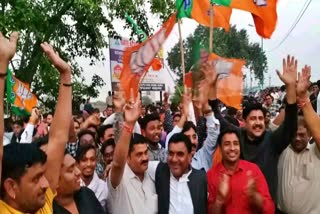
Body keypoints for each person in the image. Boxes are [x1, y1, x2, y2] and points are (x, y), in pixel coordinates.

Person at [206, 56, 298, 201]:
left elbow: (291, 124)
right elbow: (216, 116)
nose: (258, 122)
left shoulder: (273, 141)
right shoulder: (236, 136)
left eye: (261, 118)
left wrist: (291, 87)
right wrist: (211, 86)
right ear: (244, 121)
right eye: (253, 119)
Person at [0, 33, 72, 213]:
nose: (47, 184)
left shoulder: (42, 204)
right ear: (11, 188)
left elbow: (58, 138)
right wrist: (1, 67)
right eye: (36, 178)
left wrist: (66, 75)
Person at [277, 65, 320, 214]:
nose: (297, 138)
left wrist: (303, 97)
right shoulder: (281, 148)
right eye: (294, 134)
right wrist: (291, 92)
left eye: (302, 135)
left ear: (310, 134)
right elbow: (275, 125)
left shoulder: (316, 152)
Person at [108, 93, 158, 214]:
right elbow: (117, 164)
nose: (145, 158)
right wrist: (129, 123)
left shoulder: (153, 173)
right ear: (127, 157)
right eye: (139, 154)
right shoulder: (119, 180)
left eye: (146, 153)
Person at [207, 129, 274, 214]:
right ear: (220, 148)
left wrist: (254, 196)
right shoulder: (210, 175)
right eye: (227, 144)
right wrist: (219, 200)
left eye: (236, 143)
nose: (232, 148)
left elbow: (270, 209)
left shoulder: (253, 170)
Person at [149, 133, 208, 214]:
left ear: (190, 156)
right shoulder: (159, 170)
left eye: (180, 154)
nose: (174, 159)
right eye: (171, 153)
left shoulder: (201, 178)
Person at [75, 144, 109, 210]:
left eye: (92, 159)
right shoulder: (73, 187)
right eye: (84, 160)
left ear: (96, 161)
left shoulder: (104, 187)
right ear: (77, 163)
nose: (89, 164)